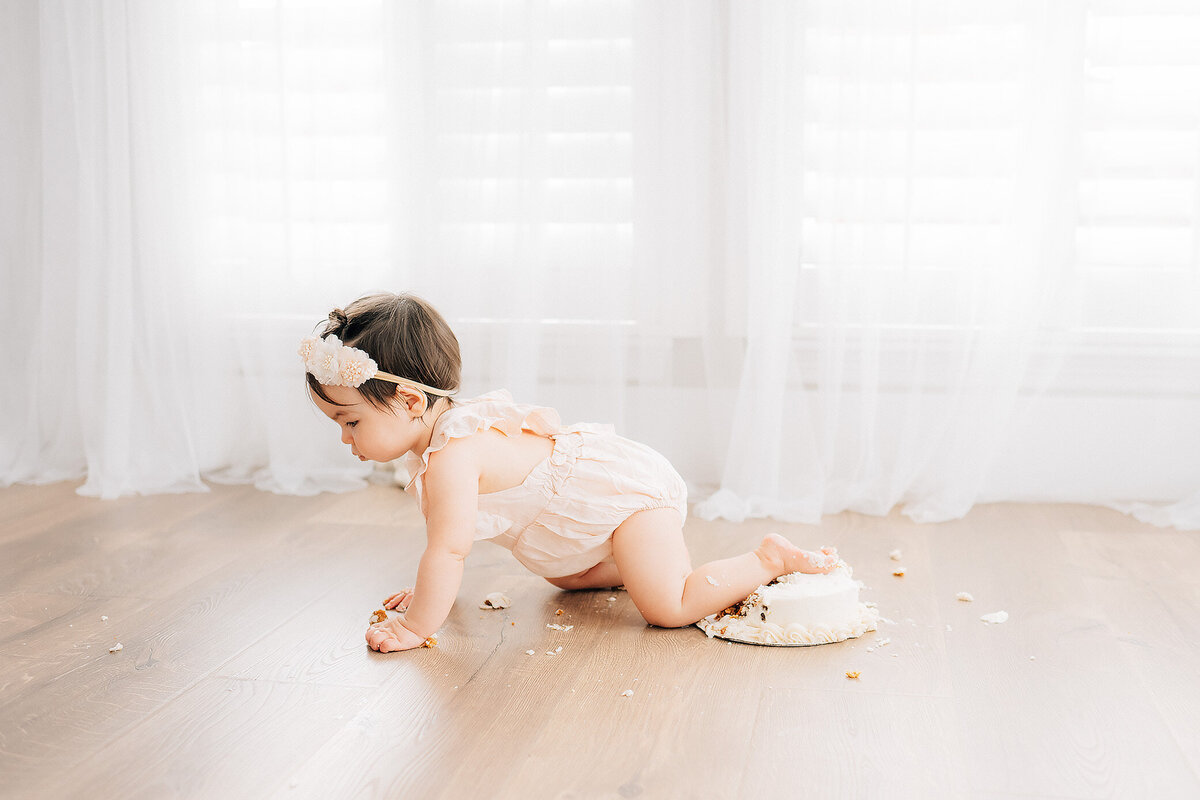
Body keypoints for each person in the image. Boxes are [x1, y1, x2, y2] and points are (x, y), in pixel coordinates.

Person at [301, 293, 839, 653]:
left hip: (628, 501)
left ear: (411, 401)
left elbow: (449, 551)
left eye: (350, 421)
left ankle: (766, 556)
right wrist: (426, 591)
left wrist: (418, 624)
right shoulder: (443, 440)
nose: (346, 438)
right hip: (582, 528)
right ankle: (644, 564)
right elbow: (450, 541)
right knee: (563, 577)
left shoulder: (453, 456)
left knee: (667, 609)